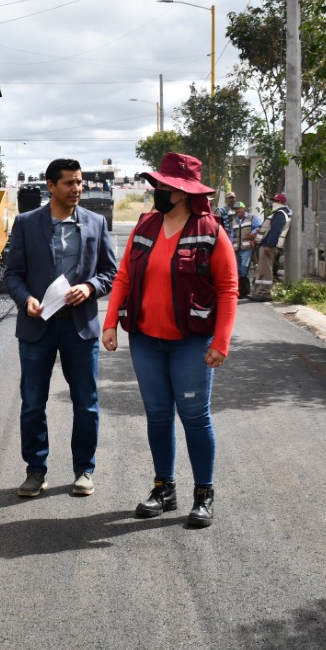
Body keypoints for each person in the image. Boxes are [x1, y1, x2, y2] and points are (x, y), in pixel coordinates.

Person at [102, 152, 238, 528]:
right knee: (158, 415)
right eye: (157, 183)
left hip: (191, 342)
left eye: (163, 185)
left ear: (181, 191)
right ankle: (164, 488)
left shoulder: (210, 231)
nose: (156, 189)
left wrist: (221, 342)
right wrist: (111, 322)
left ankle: (203, 494)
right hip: (146, 339)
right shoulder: (145, 225)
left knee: (194, 416)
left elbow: (228, 289)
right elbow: (124, 277)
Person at [4, 158, 118, 499]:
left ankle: (84, 469)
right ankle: (35, 471)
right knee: (32, 403)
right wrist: (26, 301)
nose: (77, 189)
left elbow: (110, 272)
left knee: (86, 402)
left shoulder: (96, 223)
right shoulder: (26, 224)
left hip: (79, 327)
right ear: (50, 186)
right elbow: (12, 274)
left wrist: (90, 288)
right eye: (69, 183)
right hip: (38, 326)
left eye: (79, 182)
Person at [250, 192, 292, 301]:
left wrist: (269, 245)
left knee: (266, 269)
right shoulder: (278, 213)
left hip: (269, 246)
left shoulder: (281, 214)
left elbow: (275, 231)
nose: (274, 202)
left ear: (282, 202)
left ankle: (265, 294)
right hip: (265, 245)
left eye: (276, 201)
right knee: (262, 269)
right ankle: (259, 292)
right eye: (274, 200)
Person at [227, 201, 263, 297]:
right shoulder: (234, 221)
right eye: (235, 209)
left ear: (244, 209)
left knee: (244, 267)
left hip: (247, 248)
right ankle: (241, 289)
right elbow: (232, 234)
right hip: (236, 249)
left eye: (239, 209)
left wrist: (253, 232)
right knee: (237, 269)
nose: (237, 211)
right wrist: (230, 245)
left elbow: (260, 226)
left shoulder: (251, 218)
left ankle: (246, 288)